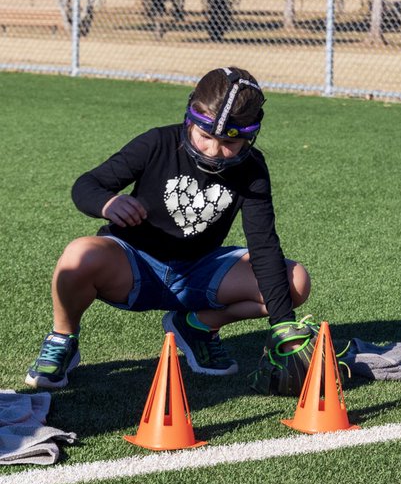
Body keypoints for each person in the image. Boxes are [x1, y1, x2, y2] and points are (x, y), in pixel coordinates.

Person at [25, 66, 314, 394]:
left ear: (250, 135)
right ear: (190, 118)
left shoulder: (252, 168)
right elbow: (86, 185)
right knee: (79, 254)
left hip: (199, 272)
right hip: (134, 265)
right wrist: (107, 203)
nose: (213, 150)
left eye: (228, 142)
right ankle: (62, 339)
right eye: (205, 136)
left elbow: (263, 245)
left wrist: (283, 325)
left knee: (295, 282)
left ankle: (196, 326)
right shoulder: (158, 142)